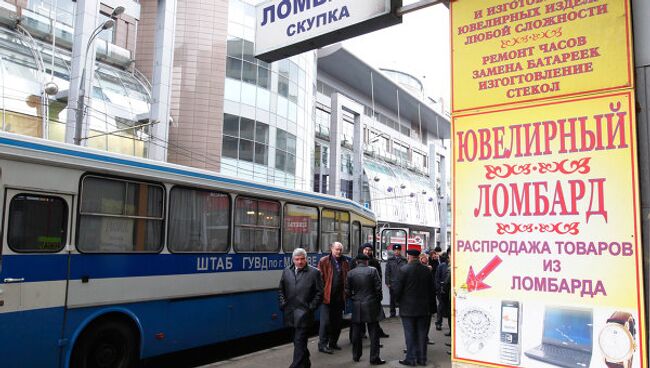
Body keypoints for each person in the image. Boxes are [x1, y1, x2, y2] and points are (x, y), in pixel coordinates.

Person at [278, 248, 324, 368]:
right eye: (297, 259)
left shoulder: (314, 272)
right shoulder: (286, 271)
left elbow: (320, 293)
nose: (300, 262)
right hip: (290, 312)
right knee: (297, 341)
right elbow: (281, 290)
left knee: (299, 340)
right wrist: (283, 304)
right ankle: (306, 363)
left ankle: (295, 365)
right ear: (293, 260)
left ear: (306, 259)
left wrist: (311, 307)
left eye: (302, 259)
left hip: (305, 313)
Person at [394, 249, 434, 366]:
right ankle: (422, 359)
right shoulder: (426, 271)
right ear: (418, 257)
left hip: (408, 308)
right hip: (424, 308)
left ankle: (411, 359)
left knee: (410, 333)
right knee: (422, 334)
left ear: (409, 257)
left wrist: (398, 301)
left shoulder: (403, 270)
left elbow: (397, 290)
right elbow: (432, 289)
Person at [345, 254, 386, 365]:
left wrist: (354, 298)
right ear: (366, 262)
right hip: (371, 304)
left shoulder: (350, 273)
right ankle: (374, 358)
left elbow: (347, 291)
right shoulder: (372, 271)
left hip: (357, 304)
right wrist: (378, 300)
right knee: (374, 332)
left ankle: (356, 355)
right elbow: (378, 288)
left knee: (356, 332)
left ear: (357, 262)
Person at [350, 243, 390, 339]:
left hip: (371, 294)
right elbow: (350, 277)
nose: (368, 251)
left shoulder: (375, 262)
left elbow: (379, 277)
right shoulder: (354, 261)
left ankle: (375, 335)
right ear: (362, 249)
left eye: (369, 250)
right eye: (366, 249)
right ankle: (360, 335)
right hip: (359, 293)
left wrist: (378, 295)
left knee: (373, 319)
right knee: (359, 319)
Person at [317, 241, 349, 353]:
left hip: (339, 297)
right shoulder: (324, 261)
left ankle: (333, 343)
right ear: (331, 249)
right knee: (325, 323)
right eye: (336, 249)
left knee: (337, 323)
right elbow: (319, 279)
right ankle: (322, 345)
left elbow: (346, 278)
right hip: (327, 297)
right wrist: (321, 293)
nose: (338, 251)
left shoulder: (345, 261)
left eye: (340, 249)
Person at [385, 244, 406, 318]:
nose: (397, 251)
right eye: (395, 250)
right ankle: (392, 313)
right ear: (393, 251)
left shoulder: (404, 260)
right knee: (392, 298)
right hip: (393, 282)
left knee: (402, 298)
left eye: (398, 250)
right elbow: (387, 272)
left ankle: (402, 312)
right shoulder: (390, 260)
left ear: (400, 251)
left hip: (402, 282)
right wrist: (387, 282)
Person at [434, 252, 449, 331]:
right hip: (442, 290)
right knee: (441, 306)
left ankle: (451, 328)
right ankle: (439, 323)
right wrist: (438, 288)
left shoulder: (454, 266)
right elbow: (437, 278)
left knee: (450, 308)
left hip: (450, 290)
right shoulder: (441, 266)